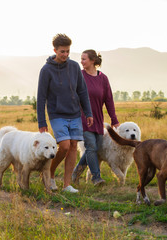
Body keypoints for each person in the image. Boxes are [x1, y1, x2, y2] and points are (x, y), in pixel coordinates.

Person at [37, 34, 93, 193]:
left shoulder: (75, 67)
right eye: (62, 51)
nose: (65, 54)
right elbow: (41, 97)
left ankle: (67, 185)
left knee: (74, 145)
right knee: (65, 145)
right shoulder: (46, 70)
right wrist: (42, 121)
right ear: (54, 50)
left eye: (68, 51)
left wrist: (88, 112)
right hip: (57, 114)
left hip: (75, 113)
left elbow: (82, 91)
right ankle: (50, 173)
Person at [72, 49, 119, 186]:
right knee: (91, 147)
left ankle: (76, 173)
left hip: (97, 119)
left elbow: (109, 100)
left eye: (84, 59)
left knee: (95, 149)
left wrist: (114, 119)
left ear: (93, 61)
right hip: (83, 118)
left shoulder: (103, 78)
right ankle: (96, 178)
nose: (81, 61)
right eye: (81, 59)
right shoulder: (79, 76)